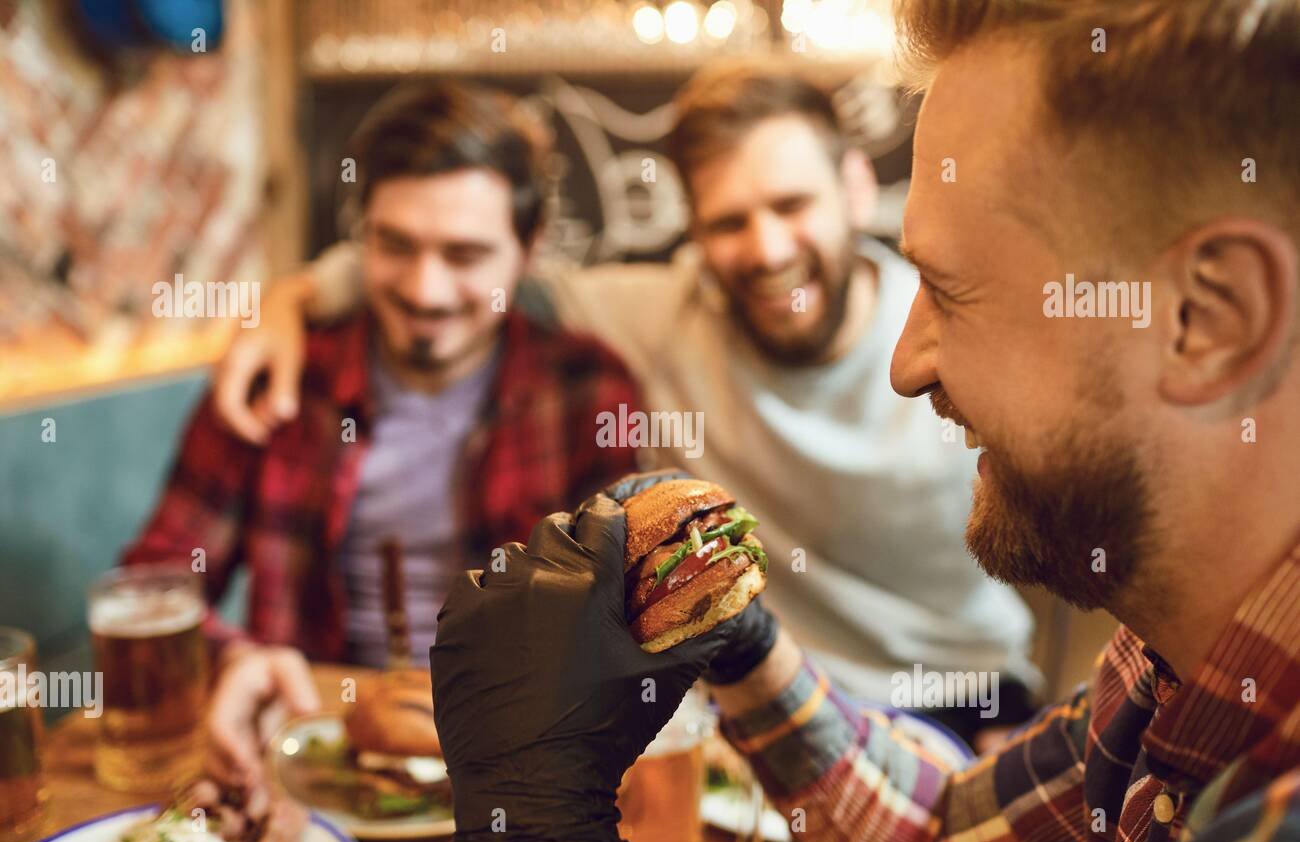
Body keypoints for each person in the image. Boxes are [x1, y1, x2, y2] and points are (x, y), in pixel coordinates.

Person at [430, 0, 1300, 842]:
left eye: (953, 291)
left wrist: (534, 832)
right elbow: (938, 833)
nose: (907, 364)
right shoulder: (1167, 677)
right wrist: (750, 648)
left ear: (1208, 319)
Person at [212, 63, 1041, 747]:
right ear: (693, 230)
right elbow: (465, 270)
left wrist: (1019, 729)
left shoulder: (948, 333)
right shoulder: (662, 316)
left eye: (791, 206)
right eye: (728, 221)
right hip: (754, 715)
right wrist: (286, 301)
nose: (765, 249)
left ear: (856, 187)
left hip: (957, 709)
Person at [120, 81, 642, 791]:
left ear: (529, 248)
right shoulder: (280, 374)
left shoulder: (587, 389)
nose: (426, 291)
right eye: (396, 245)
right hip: (310, 764)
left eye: (464, 255)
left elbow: (620, 619)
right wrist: (234, 661)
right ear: (359, 234)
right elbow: (154, 585)